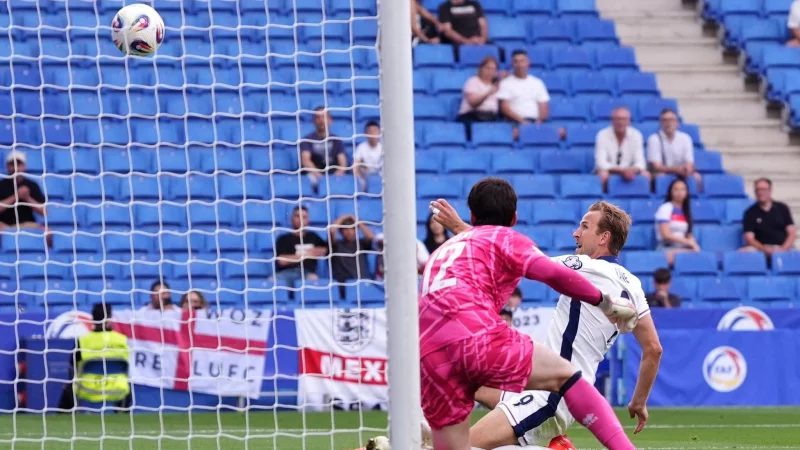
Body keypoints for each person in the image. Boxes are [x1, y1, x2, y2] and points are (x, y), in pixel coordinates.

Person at [419, 178, 638, 450]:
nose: (576, 233)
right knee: (568, 378)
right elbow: (553, 273)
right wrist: (604, 302)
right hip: (474, 335)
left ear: (472, 216)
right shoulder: (506, 238)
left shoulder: (443, 250)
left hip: (428, 353)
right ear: (514, 218)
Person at [61, 303, 130, 410]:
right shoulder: (122, 340)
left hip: (88, 389)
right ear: (110, 318)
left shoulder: (83, 341)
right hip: (117, 389)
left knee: (68, 388)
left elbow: (72, 367)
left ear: (93, 319)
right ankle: (124, 417)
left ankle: (64, 421)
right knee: (128, 387)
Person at [594, 106, 649, 191]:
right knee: (602, 175)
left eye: (623, 119)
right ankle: (603, 200)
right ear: (612, 120)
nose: (620, 122)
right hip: (610, 171)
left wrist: (631, 170)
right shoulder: (602, 135)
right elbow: (601, 163)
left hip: (630, 171)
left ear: (629, 121)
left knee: (646, 175)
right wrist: (622, 171)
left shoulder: (637, 135)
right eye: (617, 119)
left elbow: (641, 162)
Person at [646, 108, 701, 190]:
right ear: (660, 123)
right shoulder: (654, 139)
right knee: (661, 176)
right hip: (662, 173)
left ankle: (695, 201)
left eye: (671, 120)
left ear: (677, 122)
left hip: (681, 173)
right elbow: (656, 166)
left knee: (697, 177)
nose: (668, 123)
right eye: (665, 120)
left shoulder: (685, 138)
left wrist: (687, 169)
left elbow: (690, 162)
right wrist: (677, 169)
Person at [741, 178, 796, 257]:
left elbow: (792, 233)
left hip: (782, 247)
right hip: (760, 249)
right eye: (757, 190)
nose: (760, 192)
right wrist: (764, 249)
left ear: (770, 190)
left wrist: (783, 249)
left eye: (763, 189)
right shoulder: (749, 213)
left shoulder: (783, 208)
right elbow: (749, 239)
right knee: (743, 253)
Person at [275, 206, 328, 283]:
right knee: (272, 281)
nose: (300, 220)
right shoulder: (283, 239)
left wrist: (294, 257)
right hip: (286, 273)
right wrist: (306, 254)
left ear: (308, 220)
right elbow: (281, 261)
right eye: (297, 216)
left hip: (307, 273)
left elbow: (325, 249)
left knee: (313, 279)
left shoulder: (313, 237)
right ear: (291, 219)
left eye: (304, 217)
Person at [497, 50, 550, 127]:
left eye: (522, 61)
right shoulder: (505, 83)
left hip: (536, 122)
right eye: (516, 61)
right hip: (515, 123)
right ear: (512, 64)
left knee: (561, 132)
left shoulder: (538, 83)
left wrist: (539, 122)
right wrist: (523, 122)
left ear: (528, 63)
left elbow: (544, 106)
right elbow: (504, 107)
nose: (519, 65)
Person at [300, 107, 348, 189]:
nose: (321, 120)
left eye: (324, 117)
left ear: (330, 120)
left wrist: (335, 177)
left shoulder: (336, 140)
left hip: (333, 175)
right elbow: (305, 161)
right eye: (318, 117)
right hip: (314, 176)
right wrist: (321, 178)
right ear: (313, 121)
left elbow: (343, 163)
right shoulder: (307, 140)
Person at [655, 178, 700, 265]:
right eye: (676, 189)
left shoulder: (686, 212)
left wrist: (692, 242)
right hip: (666, 247)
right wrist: (688, 242)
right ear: (670, 192)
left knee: (697, 256)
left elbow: (688, 234)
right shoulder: (666, 208)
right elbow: (666, 235)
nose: (679, 192)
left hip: (682, 248)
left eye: (682, 189)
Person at [0, 150, 47, 231]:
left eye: (19, 164)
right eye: (12, 164)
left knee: (48, 233)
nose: (15, 168)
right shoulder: (1, 185)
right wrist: (15, 196)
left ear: (24, 166)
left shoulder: (32, 185)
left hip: (27, 224)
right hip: (4, 225)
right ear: (7, 166)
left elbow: (44, 212)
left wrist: (27, 198)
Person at [457, 56, 500, 127]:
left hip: (491, 118)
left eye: (493, 69)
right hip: (472, 117)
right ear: (480, 68)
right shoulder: (472, 81)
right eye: (487, 68)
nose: (490, 72)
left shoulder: (496, 85)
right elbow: (473, 103)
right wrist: (488, 93)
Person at [330, 214, 375, 281]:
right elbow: (332, 230)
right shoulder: (336, 245)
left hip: (361, 282)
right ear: (341, 231)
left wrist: (357, 221)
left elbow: (371, 236)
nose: (349, 232)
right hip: (343, 283)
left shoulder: (361, 244)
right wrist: (343, 217)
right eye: (345, 229)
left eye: (352, 228)